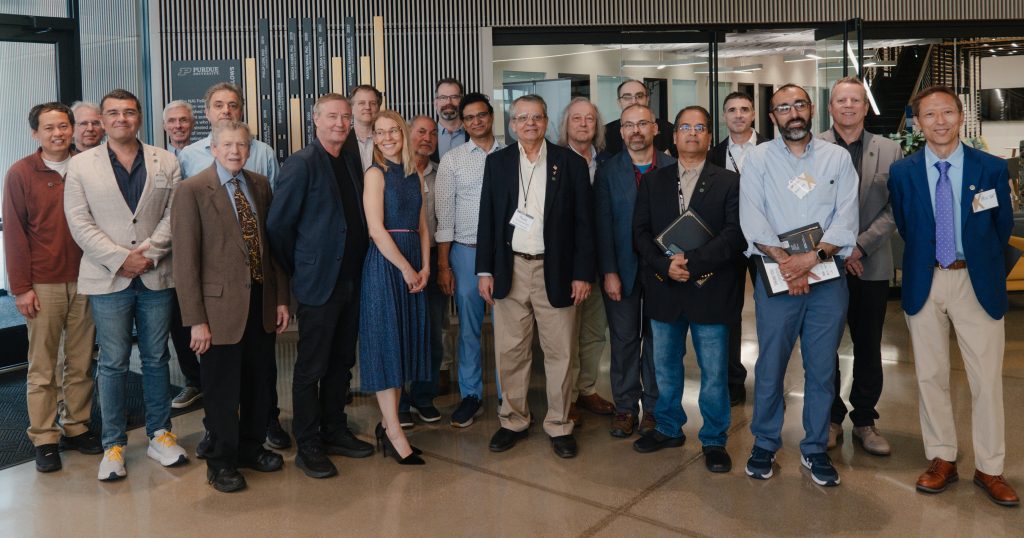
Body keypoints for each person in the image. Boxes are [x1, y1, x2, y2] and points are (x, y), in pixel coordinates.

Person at [889, 85, 1019, 507]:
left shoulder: (991, 168)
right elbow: (908, 227)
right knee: (930, 376)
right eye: (930, 115)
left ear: (960, 117)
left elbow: (999, 228)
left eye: (947, 112)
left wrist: (975, 259)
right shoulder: (904, 172)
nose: (939, 121)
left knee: (985, 380)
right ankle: (941, 458)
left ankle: (990, 467)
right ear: (918, 123)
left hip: (975, 281)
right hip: (926, 279)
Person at [64, 89, 189, 481]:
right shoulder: (81, 165)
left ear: (139, 117)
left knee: (156, 359)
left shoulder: (165, 160)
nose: (122, 118)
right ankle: (113, 444)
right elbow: (79, 223)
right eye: (113, 113)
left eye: (129, 112)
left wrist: (148, 254)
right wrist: (122, 259)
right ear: (101, 120)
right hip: (108, 277)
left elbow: (175, 214)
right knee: (114, 363)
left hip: (155, 274)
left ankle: (160, 434)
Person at [738, 84, 858, 487]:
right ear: (772, 116)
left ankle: (814, 448)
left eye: (799, 105)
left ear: (811, 110)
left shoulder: (836, 158)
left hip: (826, 277)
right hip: (776, 276)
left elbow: (846, 218)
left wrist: (812, 259)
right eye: (783, 107)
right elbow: (752, 217)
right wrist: (788, 264)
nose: (793, 113)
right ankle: (765, 442)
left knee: (822, 367)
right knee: (770, 364)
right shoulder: (757, 159)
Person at [171, 120, 291, 492]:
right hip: (217, 310)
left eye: (242, 144)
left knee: (260, 382)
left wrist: (281, 298)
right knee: (223, 390)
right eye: (228, 145)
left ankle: (251, 449)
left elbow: (272, 248)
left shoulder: (260, 184)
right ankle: (221, 462)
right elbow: (185, 262)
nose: (236, 151)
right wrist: (196, 321)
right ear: (214, 149)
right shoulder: (191, 190)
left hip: (260, 301)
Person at [476, 94, 595, 459]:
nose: (530, 124)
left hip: (555, 270)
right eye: (522, 118)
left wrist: (582, 274)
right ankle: (513, 420)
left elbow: (584, 225)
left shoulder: (570, 164)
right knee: (510, 351)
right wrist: (484, 270)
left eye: (537, 117)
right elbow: (488, 220)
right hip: (510, 268)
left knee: (560, 352)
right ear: (512, 125)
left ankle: (559, 425)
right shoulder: (497, 163)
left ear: (547, 123)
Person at [266, 93, 374, 479]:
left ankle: (334, 429)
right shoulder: (301, 164)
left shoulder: (350, 159)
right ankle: (309, 442)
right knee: (311, 367)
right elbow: (278, 228)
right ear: (315, 120)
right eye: (332, 117)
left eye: (345, 117)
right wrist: (302, 267)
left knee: (342, 362)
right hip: (318, 283)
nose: (340, 124)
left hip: (352, 280)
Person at [632, 106, 744, 472]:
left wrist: (691, 262)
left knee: (713, 371)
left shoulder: (729, 182)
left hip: (711, 290)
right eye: (685, 127)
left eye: (700, 127)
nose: (692, 133)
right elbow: (641, 233)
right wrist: (666, 265)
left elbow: (734, 235)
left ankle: (713, 439)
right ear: (674, 136)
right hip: (665, 288)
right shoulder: (654, 182)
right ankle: (667, 426)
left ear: (710, 136)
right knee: (664, 366)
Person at [3, 102, 100, 473]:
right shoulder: (21, 173)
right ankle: (45, 437)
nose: (58, 133)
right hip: (42, 284)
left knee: (80, 361)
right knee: (43, 365)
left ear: (72, 128)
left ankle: (76, 426)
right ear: (35, 133)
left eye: (63, 126)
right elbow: (13, 234)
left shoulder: (88, 166)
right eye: (49, 128)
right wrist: (21, 288)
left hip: (88, 279)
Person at [818, 77, 902, 456]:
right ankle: (831, 417)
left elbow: (894, 209)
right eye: (841, 100)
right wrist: (836, 248)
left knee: (869, 345)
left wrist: (859, 247)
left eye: (856, 100)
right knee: (825, 346)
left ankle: (865, 420)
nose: (848, 106)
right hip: (824, 265)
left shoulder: (890, 150)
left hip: (869, 264)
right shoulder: (812, 147)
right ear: (831, 107)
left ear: (865, 108)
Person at [594, 103, 672, 438]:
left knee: (658, 341)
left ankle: (654, 408)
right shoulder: (609, 171)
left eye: (642, 123)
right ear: (620, 131)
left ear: (655, 128)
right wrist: (609, 272)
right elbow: (603, 225)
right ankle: (625, 407)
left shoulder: (672, 166)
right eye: (628, 125)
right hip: (622, 271)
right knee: (625, 341)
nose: (635, 131)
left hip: (663, 271)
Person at [358, 110, 430, 465]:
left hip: (414, 261)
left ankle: (389, 423)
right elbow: (375, 228)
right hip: (387, 266)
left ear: (403, 134)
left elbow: (423, 225)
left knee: (402, 345)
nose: (387, 137)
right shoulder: (375, 174)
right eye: (380, 132)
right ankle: (393, 430)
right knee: (388, 344)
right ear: (373, 138)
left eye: (393, 131)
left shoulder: (413, 172)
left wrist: (427, 265)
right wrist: (405, 268)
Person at [434, 92, 503, 428]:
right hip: (466, 251)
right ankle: (471, 395)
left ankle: (509, 394)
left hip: (506, 254)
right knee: (469, 331)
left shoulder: (513, 153)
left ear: (492, 116)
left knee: (509, 329)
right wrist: (444, 265)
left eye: (482, 115)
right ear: (462, 123)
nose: (477, 121)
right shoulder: (453, 160)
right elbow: (444, 216)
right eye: (470, 117)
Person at [708, 91, 768, 406]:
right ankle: (733, 381)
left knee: (771, 313)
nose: (739, 115)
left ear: (754, 114)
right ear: (724, 116)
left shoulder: (774, 148)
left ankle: (770, 383)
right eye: (732, 110)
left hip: (767, 242)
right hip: (728, 241)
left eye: (745, 109)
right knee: (728, 314)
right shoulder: (714, 154)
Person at [557, 97, 615, 425]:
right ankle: (568, 397)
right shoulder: (554, 162)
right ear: (566, 125)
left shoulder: (608, 163)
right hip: (566, 265)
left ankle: (587, 388)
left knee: (594, 332)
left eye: (589, 119)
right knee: (566, 334)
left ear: (597, 126)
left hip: (601, 262)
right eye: (576, 118)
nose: (582, 124)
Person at [397, 115, 446, 426]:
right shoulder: (392, 173)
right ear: (407, 134)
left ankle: (423, 396)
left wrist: (441, 264)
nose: (426, 138)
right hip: (398, 259)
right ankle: (399, 401)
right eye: (420, 132)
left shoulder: (443, 174)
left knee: (433, 332)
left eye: (432, 133)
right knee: (400, 331)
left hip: (433, 258)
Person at [603, 79, 676, 157]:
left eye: (639, 96)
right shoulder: (605, 133)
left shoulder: (668, 129)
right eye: (627, 97)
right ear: (619, 102)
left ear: (647, 100)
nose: (634, 101)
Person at [344, 85, 383, 170]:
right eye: (361, 103)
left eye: (372, 103)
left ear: (378, 108)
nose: (367, 107)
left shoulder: (387, 141)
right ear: (351, 108)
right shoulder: (341, 142)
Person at [433, 78, 468, 160]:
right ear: (436, 103)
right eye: (443, 97)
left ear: (462, 101)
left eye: (454, 97)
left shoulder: (474, 134)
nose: (448, 102)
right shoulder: (426, 136)